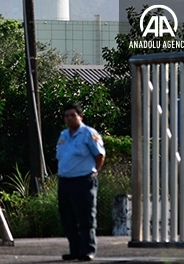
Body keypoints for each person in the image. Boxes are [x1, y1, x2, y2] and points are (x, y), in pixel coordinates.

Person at [55, 102, 105, 261]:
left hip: (83, 181)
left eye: (73, 115)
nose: (69, 118)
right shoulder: (63, 135)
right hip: (65, 182)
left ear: (80, 116)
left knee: (86, 218)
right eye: (66, 116)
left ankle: (88, 250)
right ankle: (75, 250)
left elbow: (99, 155)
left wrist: (95, 171)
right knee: (68, 219)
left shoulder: (89, 133)